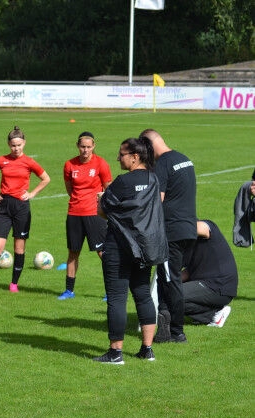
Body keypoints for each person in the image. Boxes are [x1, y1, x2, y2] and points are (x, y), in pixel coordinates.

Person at [94, 136, 168, 365]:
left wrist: (101, 200)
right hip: (145, 247)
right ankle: (147, 349)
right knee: (143, 294)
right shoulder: (154, 179)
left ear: (135, 157)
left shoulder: (123, 182)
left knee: (117, 298)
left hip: (119, 246)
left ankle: (115, 353)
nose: (118, 158)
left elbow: (102, 211)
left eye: (122, 154)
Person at [140, 129, 197, 343]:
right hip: (188, 228)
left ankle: (177, 332)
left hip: (171, 231)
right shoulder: (184, 158)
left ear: (148, 146)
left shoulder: (163, 164)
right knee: (166, 280)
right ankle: (166, 328)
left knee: (170, 280)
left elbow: (158, 199)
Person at [0, 126, 50, 293]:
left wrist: (32, 193)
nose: (16, 148)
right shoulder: (1, 160)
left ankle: (14, 284)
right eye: (13, 145)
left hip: (21, 208)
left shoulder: (29, 162)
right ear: (8, 144)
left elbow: (46, 178)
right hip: (4, 207)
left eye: (19, 145)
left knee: (19, 248)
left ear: (24, 143)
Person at [58, 131, 112, 300]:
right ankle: (69, 291)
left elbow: (108, 189)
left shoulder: (101, 163)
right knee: (73, 252)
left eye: (89, 147)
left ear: (93, 146)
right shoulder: (69, 165)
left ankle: (111, 291)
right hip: (74, 213)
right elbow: (69, 189)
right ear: (77, 146)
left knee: (102, 252)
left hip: (95, 214)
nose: (85, 150)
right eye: (82, 147)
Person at [182, 220, 237, 327]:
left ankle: (213, 314)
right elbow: (188, 272)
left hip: (219, 285)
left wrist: (174, 228)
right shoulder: (185, 243)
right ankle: (213, 314)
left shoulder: (204, 226)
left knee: (172, 295)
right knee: (169, 294)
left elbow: (203, 228)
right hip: (209, 284)